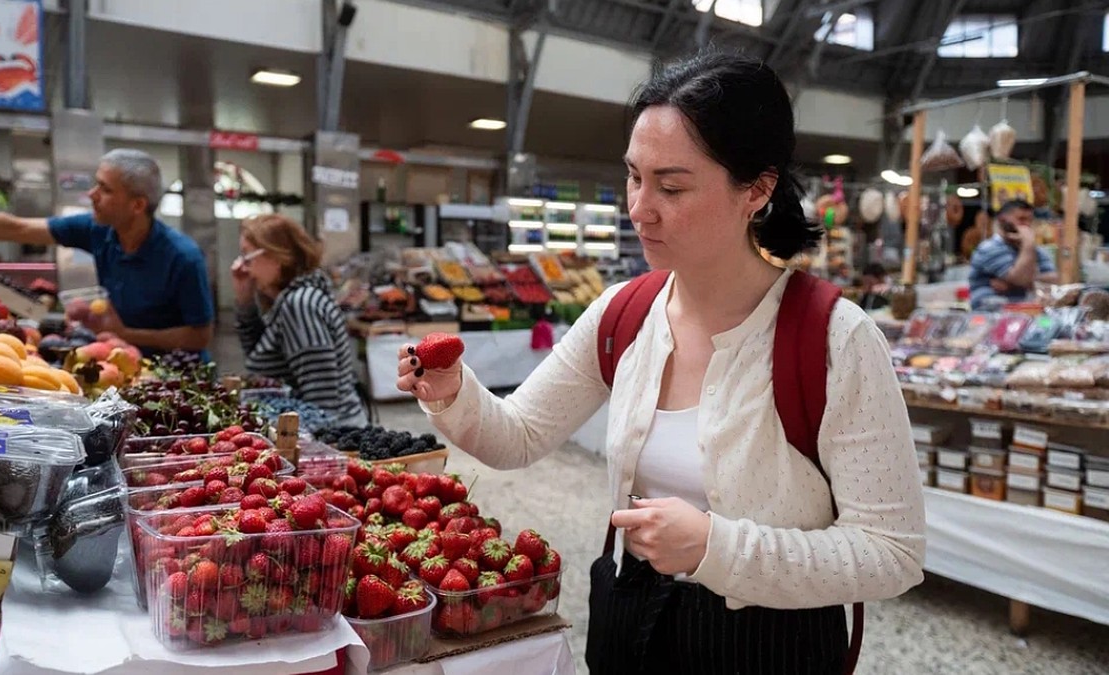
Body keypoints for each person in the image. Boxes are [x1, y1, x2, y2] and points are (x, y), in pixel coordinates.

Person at [396, 51, 925, 674]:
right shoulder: (626, 311)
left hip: (771, 644)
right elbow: (518, 436)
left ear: (757, 189)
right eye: (633, 177)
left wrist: (715, 547)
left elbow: (892, 551)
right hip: (630, 617)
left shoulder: (836, 338)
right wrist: (454, 389)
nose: (639, 208)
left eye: (671, 187)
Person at [0, 149, 213, 356]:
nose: (92, 195)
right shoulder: (100, 231)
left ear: (137, 205)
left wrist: (126, 333)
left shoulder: (182, 257)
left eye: (105, 189)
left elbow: (200, 336)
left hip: (174, 376)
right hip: (118, 356)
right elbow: (14, 228)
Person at [231, 214, 367, 427]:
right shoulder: (291, 299)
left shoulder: (300, 305)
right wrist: (244, 301)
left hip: (337, 438)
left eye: (248, 257)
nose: (241, 267)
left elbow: (322, 405)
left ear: (277, 256)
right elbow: (259, 354)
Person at [968, 200, 1058, 310]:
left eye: (1030, 220)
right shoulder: (989, 248)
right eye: (1021, 219)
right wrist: (1028, 244)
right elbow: (1020, 279)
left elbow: (1054, 279)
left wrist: (1016, 284)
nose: (1026, 225)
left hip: (1025, 312)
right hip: (990, 314)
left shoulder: (1036, 250)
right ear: (1002, 220)